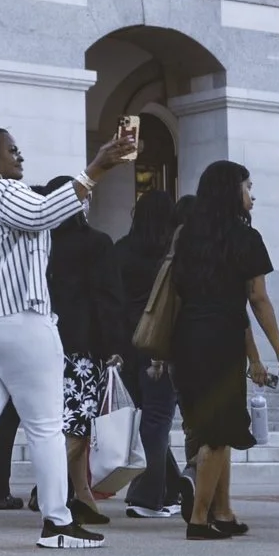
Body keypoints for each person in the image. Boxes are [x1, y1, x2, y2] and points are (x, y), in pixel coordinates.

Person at [0, 124, 134, 552]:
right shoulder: (1, 190)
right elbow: (43, 213)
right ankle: (58, 523)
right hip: (16, 319)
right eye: (12, 150)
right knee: (47, 426)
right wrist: (94, 170)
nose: (20, 158)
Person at [171, 160, 279, 540]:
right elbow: (257, 300)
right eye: (248, 187)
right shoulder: (246, 239)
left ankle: (223, 511)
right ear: (233, 193)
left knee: (218, 427)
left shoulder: (187, 237)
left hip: (188, 337)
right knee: (217, 431)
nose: (252, 195)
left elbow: (182, 293)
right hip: (222, 340)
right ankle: (199, 519)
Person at [46, 182, 125, 527]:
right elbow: (106, 299)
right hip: (80, 346)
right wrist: (113, 347)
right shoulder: (96, 243)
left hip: (42, 344)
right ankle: (53, 494)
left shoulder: (40, 243)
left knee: (60, 424)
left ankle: (82, 495)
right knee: (77, 426)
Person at [112, 190, 189, 519]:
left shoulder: (120, 251)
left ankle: (169, 489)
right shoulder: (170, 255)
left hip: (128, 345)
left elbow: (112, 301)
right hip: (160, 345)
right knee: (157, 420)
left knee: (146, 419)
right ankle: (146, 496)